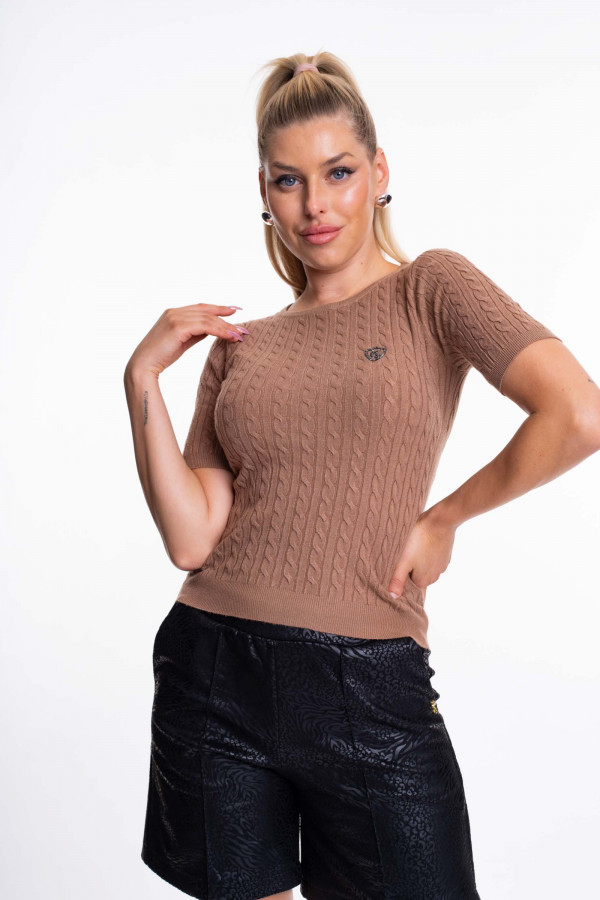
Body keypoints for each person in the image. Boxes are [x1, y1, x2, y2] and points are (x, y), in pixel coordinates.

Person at [124, 51, 600, 900]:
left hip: (371, 684)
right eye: (289, 181)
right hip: (214, 668)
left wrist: (445, 517)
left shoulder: (432, 289)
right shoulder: (243, 348)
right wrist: (142, 380)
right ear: (264, 192)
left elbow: (578, 414)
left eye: (338, 172)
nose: (315, 204)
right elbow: (192, 539)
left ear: (379, 173)